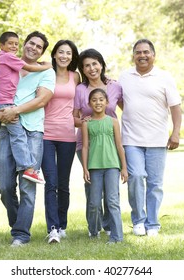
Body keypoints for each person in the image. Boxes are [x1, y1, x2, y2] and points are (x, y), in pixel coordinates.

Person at [0, 31, 56, 246]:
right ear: (24, 44)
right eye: (31, 43)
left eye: (39, 46)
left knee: (26, 185)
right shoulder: (6, 64)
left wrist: (15, 110)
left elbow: (42, 100)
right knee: (4, 186)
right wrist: (0, 115)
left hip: (31, 131)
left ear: (42, 51)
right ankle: (18, 224)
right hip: (7, 128)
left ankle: (21, 234)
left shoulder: (46, 72)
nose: (33, 48)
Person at [119, 39, 182, 237]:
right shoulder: (124, 76)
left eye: (146, 52)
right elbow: (121, 102)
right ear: (133, 55)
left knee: (155, 183)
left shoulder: (164, 77)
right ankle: (138, 220)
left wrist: (176, 132)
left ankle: (153, 223)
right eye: (138, 52)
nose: (142, 55)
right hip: (131, 139)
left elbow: (175, 107)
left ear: (153, 55)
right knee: (136, 177)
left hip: (157, 140)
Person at [0, 31, 51, 184]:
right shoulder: (9, 58)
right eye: (10, 43)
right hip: (5, 104)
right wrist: (46, 66)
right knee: (18, 136)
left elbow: (41, 100)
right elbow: (30, 68)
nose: (13, 46)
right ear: (2, 46)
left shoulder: (2, 60)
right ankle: (28, 168)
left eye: (15, 44)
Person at [73, 48, 123, 237]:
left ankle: (110, 226)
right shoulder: (80, 89)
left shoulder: (115, 86)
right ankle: (94, 227)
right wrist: (85, 122)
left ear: (101, 64)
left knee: (111, 189)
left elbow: (127, 110)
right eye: (86, 65)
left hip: (110, 143)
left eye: (94, 63)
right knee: (92, 188)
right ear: (83, 70)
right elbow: (74, 117)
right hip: (86, 143)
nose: (91, 68)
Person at [41, 40, 80, 244]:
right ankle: (53, 228)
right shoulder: (46, 72)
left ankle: (62, 225)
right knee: (51, 182)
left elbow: (88, 92)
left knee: (63, 184)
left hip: (67, 136)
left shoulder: (76, 76)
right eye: (61, 52)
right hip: (45, 135)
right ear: (54, 55)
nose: (64, 56)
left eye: (68, 53)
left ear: (72, 57)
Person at [81, 88, 128, 243]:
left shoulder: (113, 121)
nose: (98, 102)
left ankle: (117, 236)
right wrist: (85, 168)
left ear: (107, 102)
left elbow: (119, 145)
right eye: (94, 100)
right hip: (94, 167)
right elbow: (85, 147)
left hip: (112, 166)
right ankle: (94, 230)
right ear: (89, 103)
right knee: (94, 202)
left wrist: (124, 167)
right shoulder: (86, 123)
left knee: (112, 201)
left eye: (101, 99)